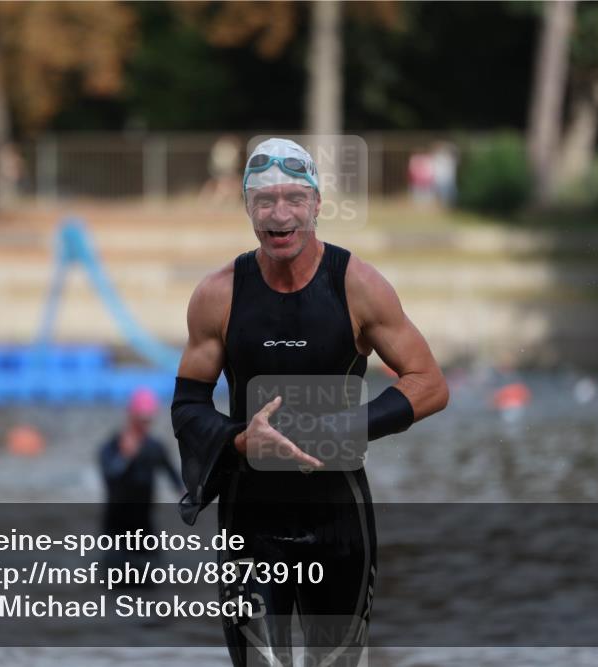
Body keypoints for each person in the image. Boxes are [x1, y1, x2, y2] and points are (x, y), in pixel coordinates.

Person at [171, 138, 449, 666]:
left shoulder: (358, 286)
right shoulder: (219, 294)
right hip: (249, 522)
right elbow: (186, 406)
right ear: (248, 208)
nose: (280, 215)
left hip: (338, 520)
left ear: (317, 204)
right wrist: (237, 439)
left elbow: (429, 382)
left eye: (294, 199)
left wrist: (345, 428)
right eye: (265, 201)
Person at [99, 388, 183, 542]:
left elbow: (175, 479)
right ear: (131, 416)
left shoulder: (154, 447)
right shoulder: (112, 446)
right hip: (116, 530)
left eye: (148, 420)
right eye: (141, 420)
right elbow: (110, 476)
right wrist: (125, 457)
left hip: (145, 529)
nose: (144, 425)